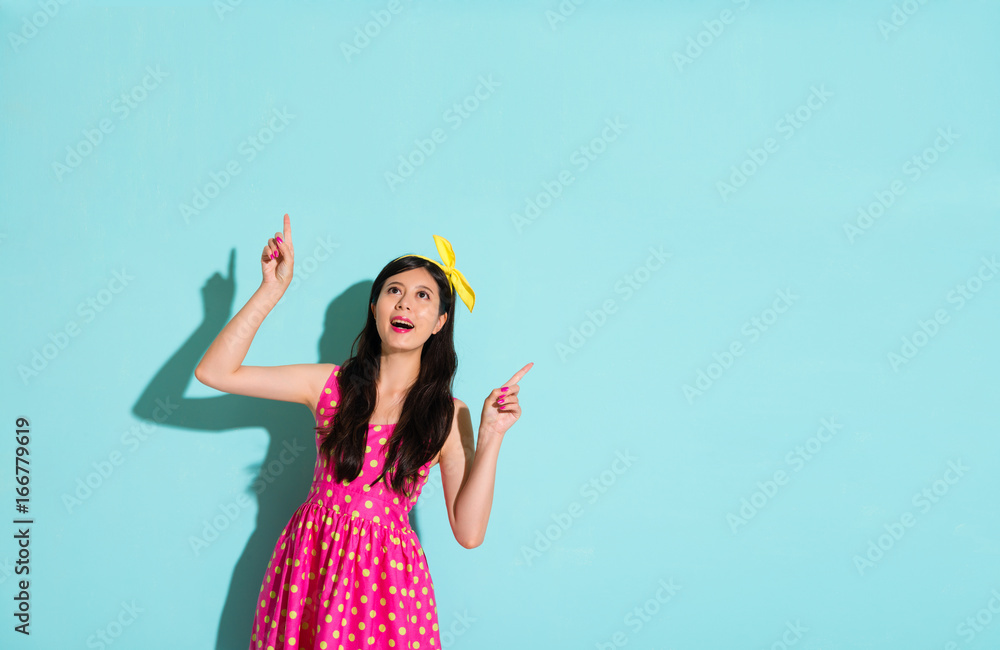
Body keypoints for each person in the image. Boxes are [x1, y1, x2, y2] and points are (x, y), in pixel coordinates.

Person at [193, 213, 532, 649]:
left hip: (388, 587)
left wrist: (491, 436)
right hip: (311, 565)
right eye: (394, 291)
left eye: (423, 296)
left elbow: (469, 533)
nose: (405, 304)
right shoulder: (328, 386)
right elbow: (214, 372)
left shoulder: (449, 415)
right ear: (374, 308)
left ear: (441, 321)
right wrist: (270, 290)